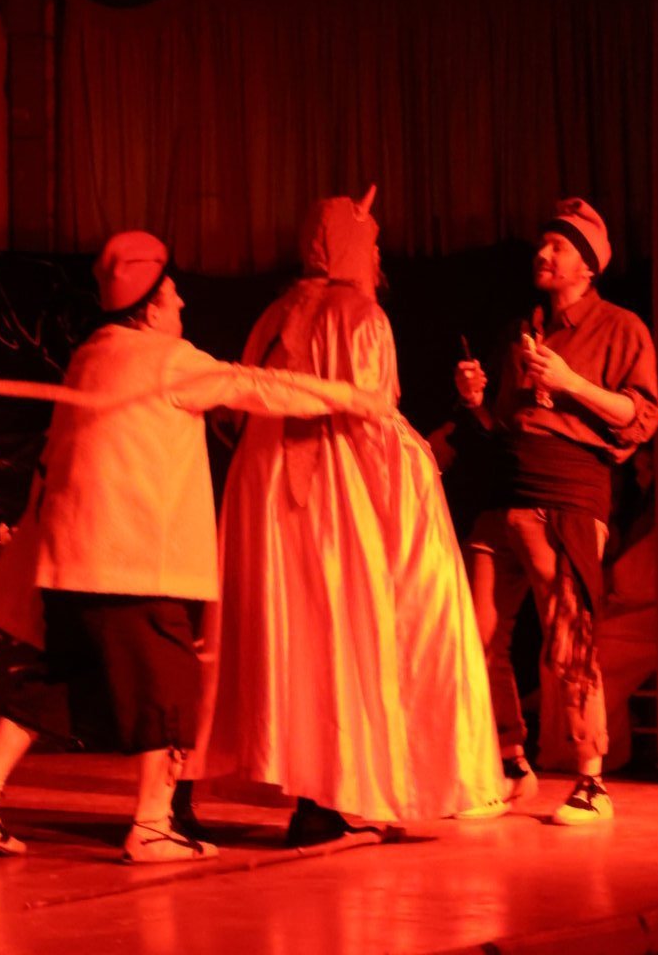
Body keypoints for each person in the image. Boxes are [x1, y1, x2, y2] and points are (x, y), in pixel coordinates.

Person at [0, 231, 387, 864]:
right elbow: (257, 386)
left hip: (70, 564)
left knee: (64, 683)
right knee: (170, 688)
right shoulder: (167, 360)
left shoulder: (90, 356)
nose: (182, 306)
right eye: (174, 297)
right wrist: (353, 397)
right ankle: (152, 824)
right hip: (134, 567)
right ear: (150, 308)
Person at [206, 188, 505, 843]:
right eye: (369, 245)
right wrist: (416, 475)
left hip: (265, 494)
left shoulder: (274, 314)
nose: (376, 258)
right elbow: (370, 418)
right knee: (345, 629)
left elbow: (240, 411)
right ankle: (333, 793)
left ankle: (313, 796)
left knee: (296, 636)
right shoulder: (361, 315)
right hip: (332, 494)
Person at [455, 198, 658, 825]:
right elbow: (503, 422)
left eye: (558, 247)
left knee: (568, 640)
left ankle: (591, 781)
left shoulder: (622, 327)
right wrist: (475, 401)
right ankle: (511, 764)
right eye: (543, 244)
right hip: (507, 491)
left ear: (588, 266)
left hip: (568, 494)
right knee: (478, 634)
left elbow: (640, 415)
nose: (543, 254)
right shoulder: (523, 328)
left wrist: (571, 382)